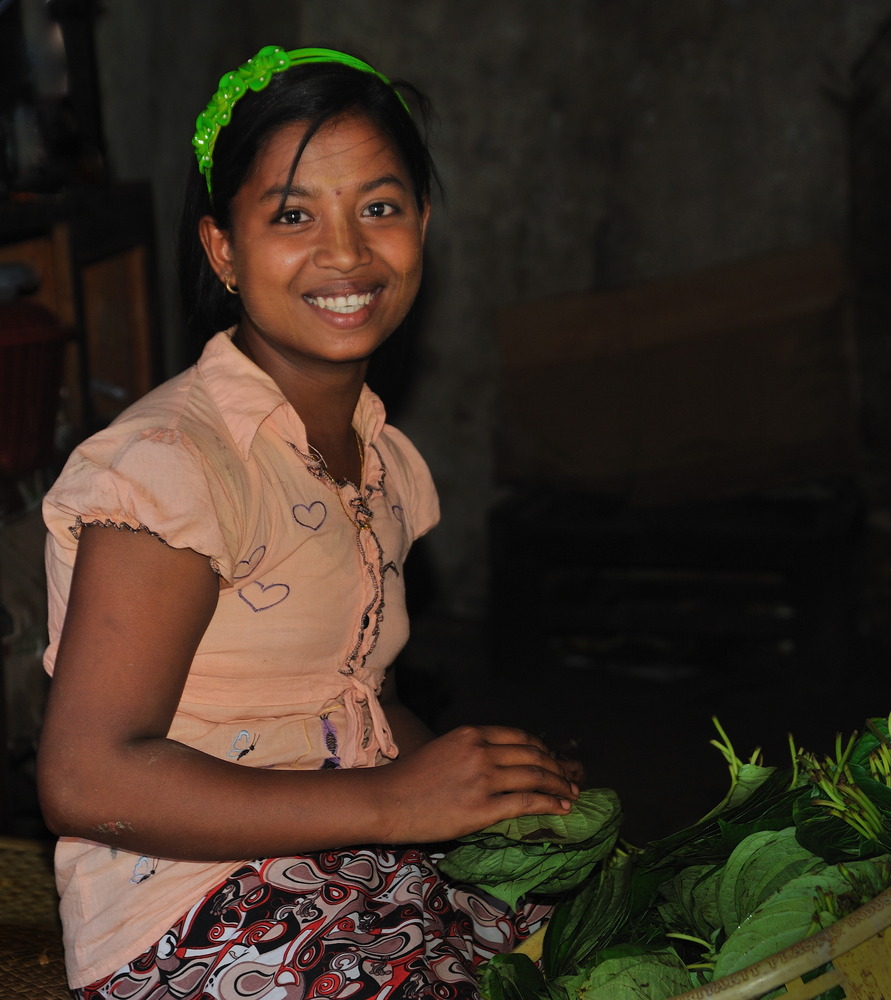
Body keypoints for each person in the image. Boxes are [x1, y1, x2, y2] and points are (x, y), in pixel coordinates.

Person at [37, 45, 580, 1000]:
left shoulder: (382, 460)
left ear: (422, 226)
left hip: (340, 858)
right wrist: (391, 802)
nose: (346, 253)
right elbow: (87, 779)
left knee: (598, 926)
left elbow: (354, 705)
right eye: (293, 215)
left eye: (380, 206)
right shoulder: (175, 465)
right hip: (188, 910)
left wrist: (485, 789)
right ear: (222, 249)